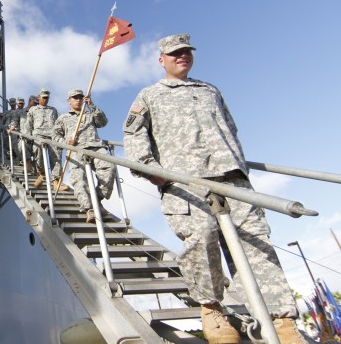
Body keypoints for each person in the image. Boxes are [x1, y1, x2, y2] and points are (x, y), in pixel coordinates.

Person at [122, 34, 304, 344]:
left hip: (232, 180)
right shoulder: (150, 95)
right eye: (175, 53)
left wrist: (236, 163)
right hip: (185, 183)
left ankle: (282, 321)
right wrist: (150, 169)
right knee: (202, 242)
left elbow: (231, 127)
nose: (183, 57)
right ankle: (212, 310)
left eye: (186, 52)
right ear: (161, 59)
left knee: (256, 246)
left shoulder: (210, 90)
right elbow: (133, 134)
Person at [53, 89, 115, 223]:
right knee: (79, 180)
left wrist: (91, 105)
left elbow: (103, 122)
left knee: (109, 170)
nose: (78, 100)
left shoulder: (90, 114)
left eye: (80, 97)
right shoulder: (63, 118)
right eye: (75, 98)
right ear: (69, 101)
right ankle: (89, 209)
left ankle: (97, 199)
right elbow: (55, 136)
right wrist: (65, 142)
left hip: (96, 147)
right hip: (76, 150)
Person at [23, 88, 67, 191]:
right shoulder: (33, 109)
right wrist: (28, 136)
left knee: (57, 156)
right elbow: (28, 125)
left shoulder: (53, 110)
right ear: (39, 98)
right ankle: (41, 174)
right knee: (38, 152)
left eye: (47, 98)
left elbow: (60, 123)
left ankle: (56, 182)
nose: (45, 100)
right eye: (43, 98)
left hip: (52, 136)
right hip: (38, 135)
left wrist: (63, 137)